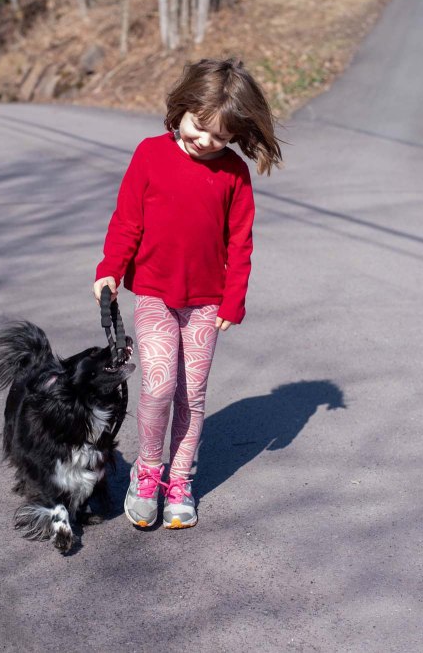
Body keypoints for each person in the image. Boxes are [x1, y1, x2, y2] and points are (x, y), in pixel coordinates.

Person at [93, 57, 282, 529]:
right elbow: (127, 222)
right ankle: (147, 473)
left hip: (206, 303)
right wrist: (110, 269)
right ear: (182, 108)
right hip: (154, 293)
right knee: (159, 387)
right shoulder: (149, 155)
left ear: (234, 135)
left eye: (220, 136)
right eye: (199, 126)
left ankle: (180, 481)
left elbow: (240, 242)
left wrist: (234, 298)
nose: (205, 141)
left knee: (191, 395)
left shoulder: (234, 174)